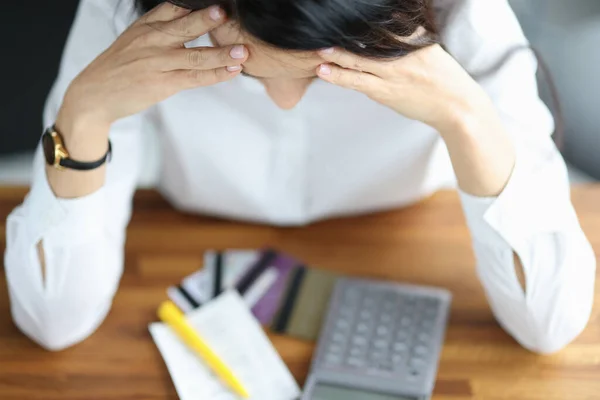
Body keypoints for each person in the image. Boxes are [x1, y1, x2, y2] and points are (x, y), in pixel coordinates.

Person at [4, 0, 595, 353]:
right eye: (248, 71)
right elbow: (55, 319)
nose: (285, 104)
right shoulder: (131, 14)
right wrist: (83, 112)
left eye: (323, 72)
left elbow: (548, 322)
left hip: (410, 223)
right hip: (195, 233)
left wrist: (467, 117)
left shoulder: (463, 12)